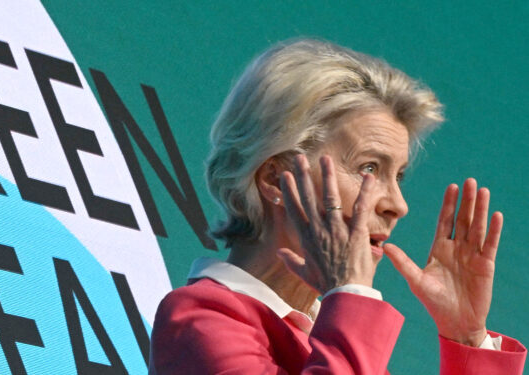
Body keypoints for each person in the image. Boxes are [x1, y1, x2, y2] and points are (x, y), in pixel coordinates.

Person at [148, 39, 526, 374]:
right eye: (368, 168)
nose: (398, 205)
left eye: (399, 176)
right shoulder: (198, 321)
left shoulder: (335, 337)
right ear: (275, 178)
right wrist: (351, 293)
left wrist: (466, 338)